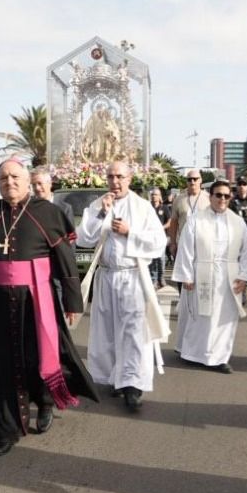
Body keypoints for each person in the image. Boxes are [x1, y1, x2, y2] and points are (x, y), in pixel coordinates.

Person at [0, 158, 98, 454]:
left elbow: (65, 261)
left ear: (26, 180)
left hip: (37, 300)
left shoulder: (48, 213)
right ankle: (5, 428)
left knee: (38, 357)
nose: (9, 182)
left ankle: (45, 402)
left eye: (15, 176)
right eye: (3, 178)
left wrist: (72, 300)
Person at [77, 159, 169, 410]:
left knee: (133, 332)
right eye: (111, 177)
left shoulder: (142, 207)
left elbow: (159, 242)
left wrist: (130, 232)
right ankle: (113, 378)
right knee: (106, 331)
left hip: (131, 277)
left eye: (120, 177)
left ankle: (132, 384)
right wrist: (101, 214)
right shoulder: (97, 205)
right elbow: (84, 238)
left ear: (129, 179)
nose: (115, 182)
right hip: (106, 276)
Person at [171, 179, 247, 372]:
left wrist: (245, 277)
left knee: (224, 318)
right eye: (218, 195)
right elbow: (186, 247)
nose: (222, 199)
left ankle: (219, 358)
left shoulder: (237, 222)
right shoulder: (196, 219)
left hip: (229, 276)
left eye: (226, 196)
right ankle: (194, 353)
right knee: (201, 318)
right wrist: (186, 275)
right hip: (201, 273)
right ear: (210, 197)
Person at [165, 168, 209, 257]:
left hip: (204, 244)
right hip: (183, 245)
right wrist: (173, 243)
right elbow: (174, 223)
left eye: (195, 179)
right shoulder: (179, 199)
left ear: (200, 180)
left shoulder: (209, 198)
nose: (192, 182)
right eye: (189, 179)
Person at [146, 186, 169, 287]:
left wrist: (162, 227)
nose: (154, 196)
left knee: (161, 259)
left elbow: (170, 221)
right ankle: (153, 279)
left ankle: (161, 277)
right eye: (152, 195)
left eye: (156, 195)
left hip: (161, 237)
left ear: (160, 197)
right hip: (150, 237)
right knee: (152, 259)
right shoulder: (147, 208)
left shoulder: (164, 208)